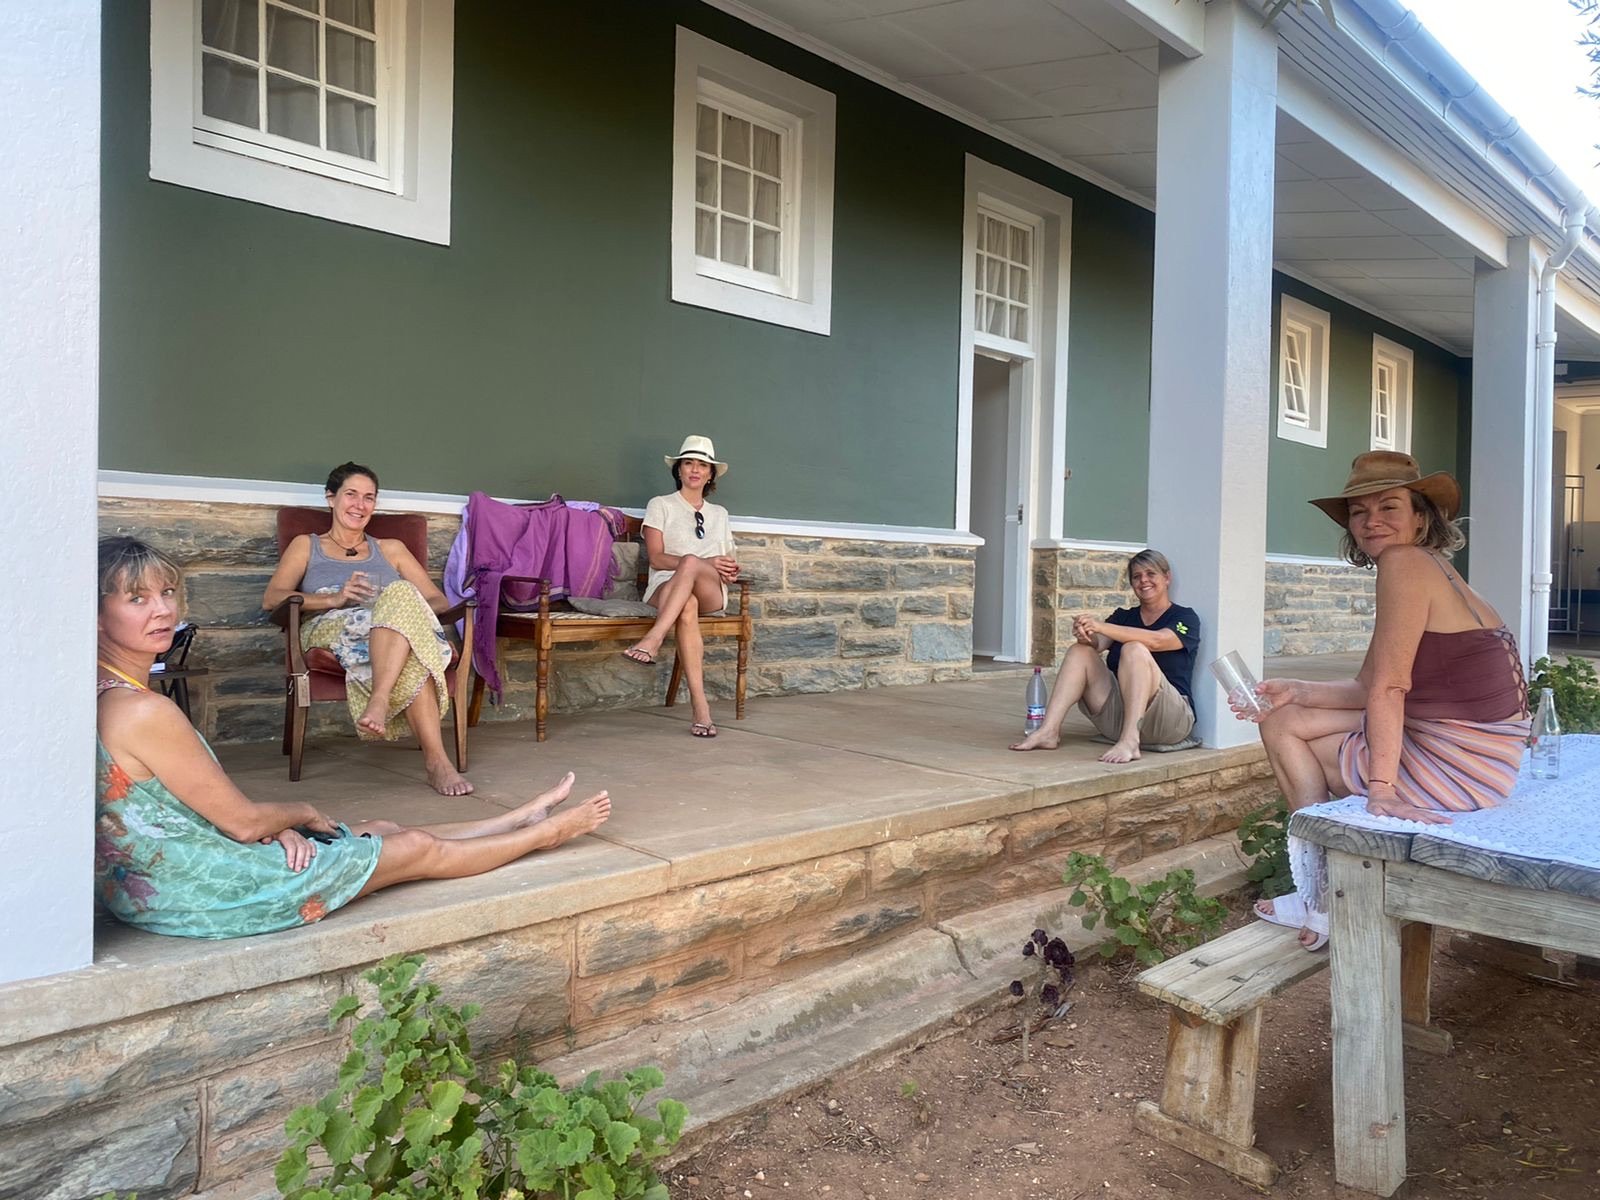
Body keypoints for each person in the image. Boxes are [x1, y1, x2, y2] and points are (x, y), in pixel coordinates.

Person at [96, 537, 612, 940]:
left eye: (167, 593)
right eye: (137, 599)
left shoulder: (107, 692)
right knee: (413, 848)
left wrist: (269, 831)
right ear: (95, 615)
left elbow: (202, 812)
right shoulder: (144, 711)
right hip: (205, 893)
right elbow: (243, 820)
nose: (162, 610)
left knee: (380, 828)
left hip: (170, 874)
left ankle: (512, 819)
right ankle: (544, 834)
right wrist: (295, 815)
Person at [1242, 451, 1530, 949]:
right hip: (1486, 757)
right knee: (1282, 716)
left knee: (1283, 730)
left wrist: (1383, 789)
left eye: (1389, 506)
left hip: (1460, 764)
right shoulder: (1432, 569)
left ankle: (1324, 895)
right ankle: (1320, 889)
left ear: (1421, 517)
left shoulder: (1404, 563)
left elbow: (1390, 688)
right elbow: (1366, 685)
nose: (1371, 520)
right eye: (1359, 511)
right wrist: (1296, 689)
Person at [263, 462, 472, 796]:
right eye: (351, 494)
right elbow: (272, 598)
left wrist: (396, 608)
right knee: (411, 636)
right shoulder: (307, 545)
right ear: (331, 498)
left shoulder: (392, 549)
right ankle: (437, 762)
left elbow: (437, 601)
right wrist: (335, 598)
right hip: (330, 628)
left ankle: (386, 707)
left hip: (391, 634)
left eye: (369, 497)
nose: (360, 505)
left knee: (403, 603)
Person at [1010, 549, 1201, 763]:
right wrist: (1085, 633)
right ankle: (1048, 731)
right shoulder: (1123, 617)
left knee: (1134, 649)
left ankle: (1130, 741)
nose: (1143, 580)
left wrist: (1101, 626)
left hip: (1168, 722)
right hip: (1118, 719)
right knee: (1079, 651)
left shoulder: (1185, 617)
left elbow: (1158, 640)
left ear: (1167, 578)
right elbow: (1097, 644)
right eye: (1136, 576)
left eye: (1151, 574)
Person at [622, 436, 738, 738]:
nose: (695, 470)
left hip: (710, 589)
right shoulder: (660, 505)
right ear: (679, 470)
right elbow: (657, 559)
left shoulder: (720, 514)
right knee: (687, 603)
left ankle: (653, 639)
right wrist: (700, 562)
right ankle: (701, 710)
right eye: (689, 463)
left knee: (690, 563)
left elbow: (727, 560)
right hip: (666, 586)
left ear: (710, 474)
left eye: (702, 465)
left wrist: (727, 568)